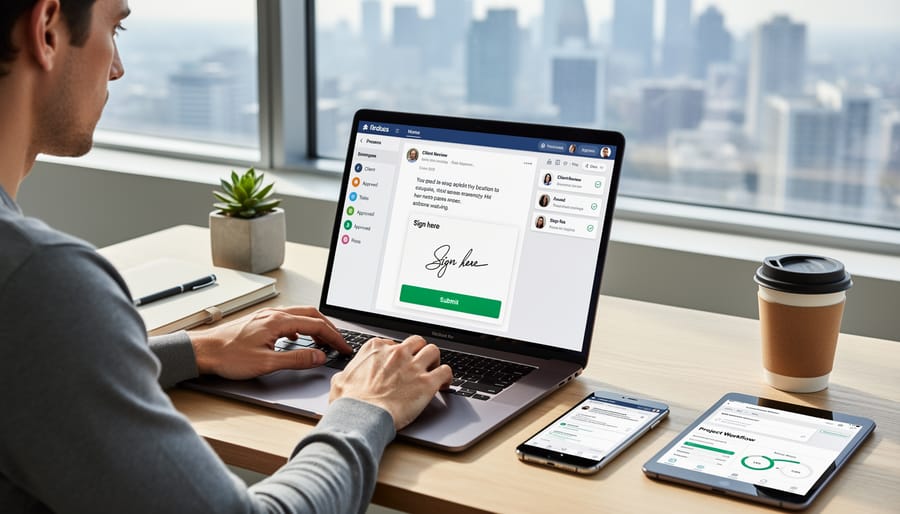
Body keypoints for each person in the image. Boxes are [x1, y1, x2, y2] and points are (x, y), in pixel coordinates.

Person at [0, 1, 451, 513]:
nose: (118, 67)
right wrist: (365, 406)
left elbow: (37, 369)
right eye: (115, 26)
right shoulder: (37, 279)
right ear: (47, 30)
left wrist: (196, 350)